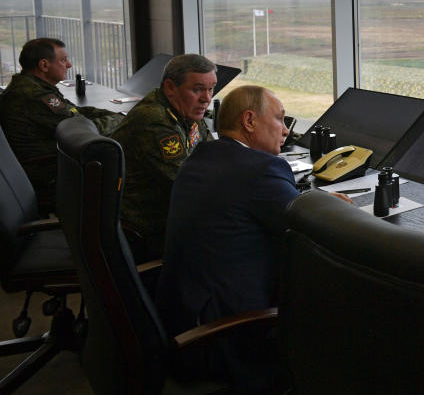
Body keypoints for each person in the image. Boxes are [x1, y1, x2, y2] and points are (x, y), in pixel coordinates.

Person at [156, 85, 351, 391]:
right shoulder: (263, 170)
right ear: (249, 121)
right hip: (226, 339)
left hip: (181, 325)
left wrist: (310, 199)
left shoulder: (202, 156)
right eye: (280, 120)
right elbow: (317, 232)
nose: (286, 132)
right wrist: (330, 208)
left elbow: (265, 202)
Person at [111, 53, 216, 260]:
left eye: (211, 89)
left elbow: (213, 154)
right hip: (146, 226)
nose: (207, 98)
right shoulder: (155, 121)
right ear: (170, 88)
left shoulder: (187, 112)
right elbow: (187, 184)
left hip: (167, 212)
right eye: (197, 89)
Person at [0, 37, 123, 214]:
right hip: (50, 175)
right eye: (63, 60)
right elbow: (82, 131)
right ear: (44, 65)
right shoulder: (35, 96)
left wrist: (115, 115)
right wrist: (121, 119)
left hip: (49, 166)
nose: (69, 65)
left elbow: (75, 112)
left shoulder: (31, 86)